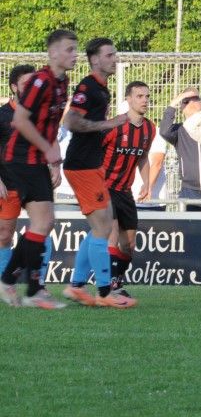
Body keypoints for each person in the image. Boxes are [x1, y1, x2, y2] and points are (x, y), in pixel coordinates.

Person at [0, 30, 77, 309]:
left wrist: (53, 160)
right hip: (20, 159)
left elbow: (50, 124)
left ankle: (13, 281)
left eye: (75, 49)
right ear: (53, 53)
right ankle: (30, 289)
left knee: (43, 224)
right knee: (39, 224)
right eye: (69, 50)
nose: (74, 55)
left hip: (36, 160)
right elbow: (20, 121)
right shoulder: (40, 81)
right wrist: (47, 148)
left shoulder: (61, 82)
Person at [61, 38, 133, 308]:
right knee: (103, 227)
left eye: (115, 54)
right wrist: (108, 124)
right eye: (109, 55)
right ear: (94, 59)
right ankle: (104, 293)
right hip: (82, 165)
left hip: (91, 165)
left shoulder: (102, 90)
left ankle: (77, 287)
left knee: (100, 226)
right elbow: (71, 121)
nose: (115, 59)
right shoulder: (88, 86)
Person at [98, 81, 157, 304]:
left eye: (147, 96)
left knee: (129, 245)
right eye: (140, 96)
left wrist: (146, 183)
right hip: (104, 188)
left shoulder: (150, 129)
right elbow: (94, 152)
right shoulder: (114, 126)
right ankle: (110, 287)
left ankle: (117, 281)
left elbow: (143, 157)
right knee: (112, 235)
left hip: (125, 190)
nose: (145, 100)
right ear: (128, 99)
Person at [0, 64, 36, 285]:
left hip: (33, 182)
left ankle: (38, 285)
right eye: (26, 83)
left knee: (42, 226)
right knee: (5, 234)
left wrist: (53, 167)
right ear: (14, 87)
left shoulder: (38, 114)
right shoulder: (3, 115)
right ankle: (3, 282)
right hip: (8, 183)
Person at [162, 88, 201, 211]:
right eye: (186, 100)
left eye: (195, 99)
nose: (191, 103)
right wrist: (173, 103)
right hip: (190, 190)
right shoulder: (179, 130)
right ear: (181, 107)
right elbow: (164, 131)